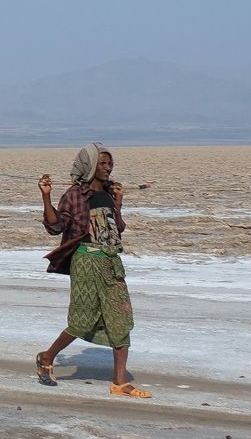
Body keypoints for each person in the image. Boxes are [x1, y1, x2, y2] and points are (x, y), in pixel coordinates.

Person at [36, 143, 150, 398]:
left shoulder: (109, 193)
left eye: (110, 164)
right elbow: (55, 227)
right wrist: (46, 195)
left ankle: (119, 382)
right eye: (102, 164)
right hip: (86, 261)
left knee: (121, 318)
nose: (108, 168)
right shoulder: (75, 195)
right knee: (82, 320)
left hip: (111, 262)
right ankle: (46, 357)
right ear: (89, 166)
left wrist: (118, 202)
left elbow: (117, 228)